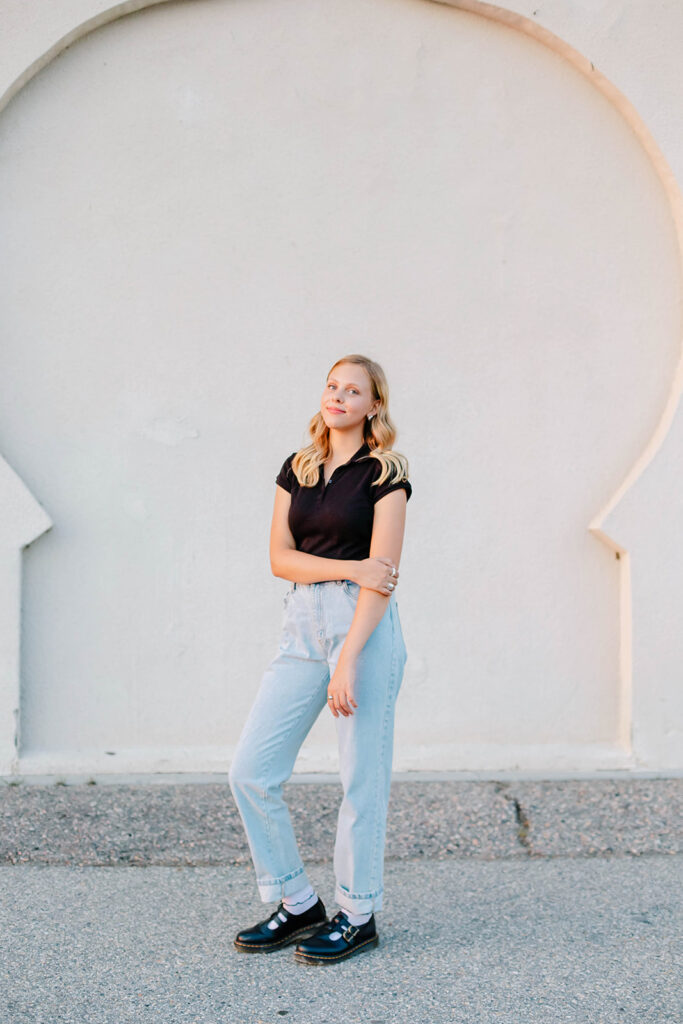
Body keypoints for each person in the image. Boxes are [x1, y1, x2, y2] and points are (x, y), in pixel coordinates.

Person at [229, 353, 411, 964]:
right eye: (332, 385)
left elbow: (381, 578)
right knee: (252, 771)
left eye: (352, 389)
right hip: (301, 624)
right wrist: (348, 566)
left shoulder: (386, 472)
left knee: (361, 779)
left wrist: (349, 658)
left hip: (363, 628)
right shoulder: (298, 466)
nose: (337, 396)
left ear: (373, 405)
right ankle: (298, 902)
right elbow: (280, 558)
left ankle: (358, 913)